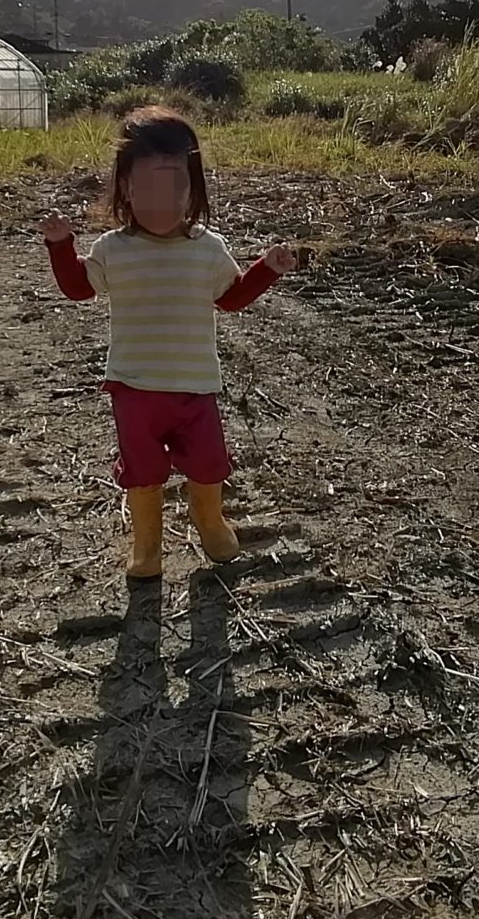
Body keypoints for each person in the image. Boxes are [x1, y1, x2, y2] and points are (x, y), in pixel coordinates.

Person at [42, 106, 297, 578]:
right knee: (142, 471)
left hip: (196, 387)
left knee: (208, 464)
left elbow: (231, 298)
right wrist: (61, 246)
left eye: (174, 185)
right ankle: (148, 544)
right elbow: (79, 289)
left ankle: (209, 517)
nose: (162, 199)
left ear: (192, 188)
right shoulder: (113, 249)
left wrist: (267, 269)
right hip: (134, 389)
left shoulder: (207, 248)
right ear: (126, 187)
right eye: (148, 186)